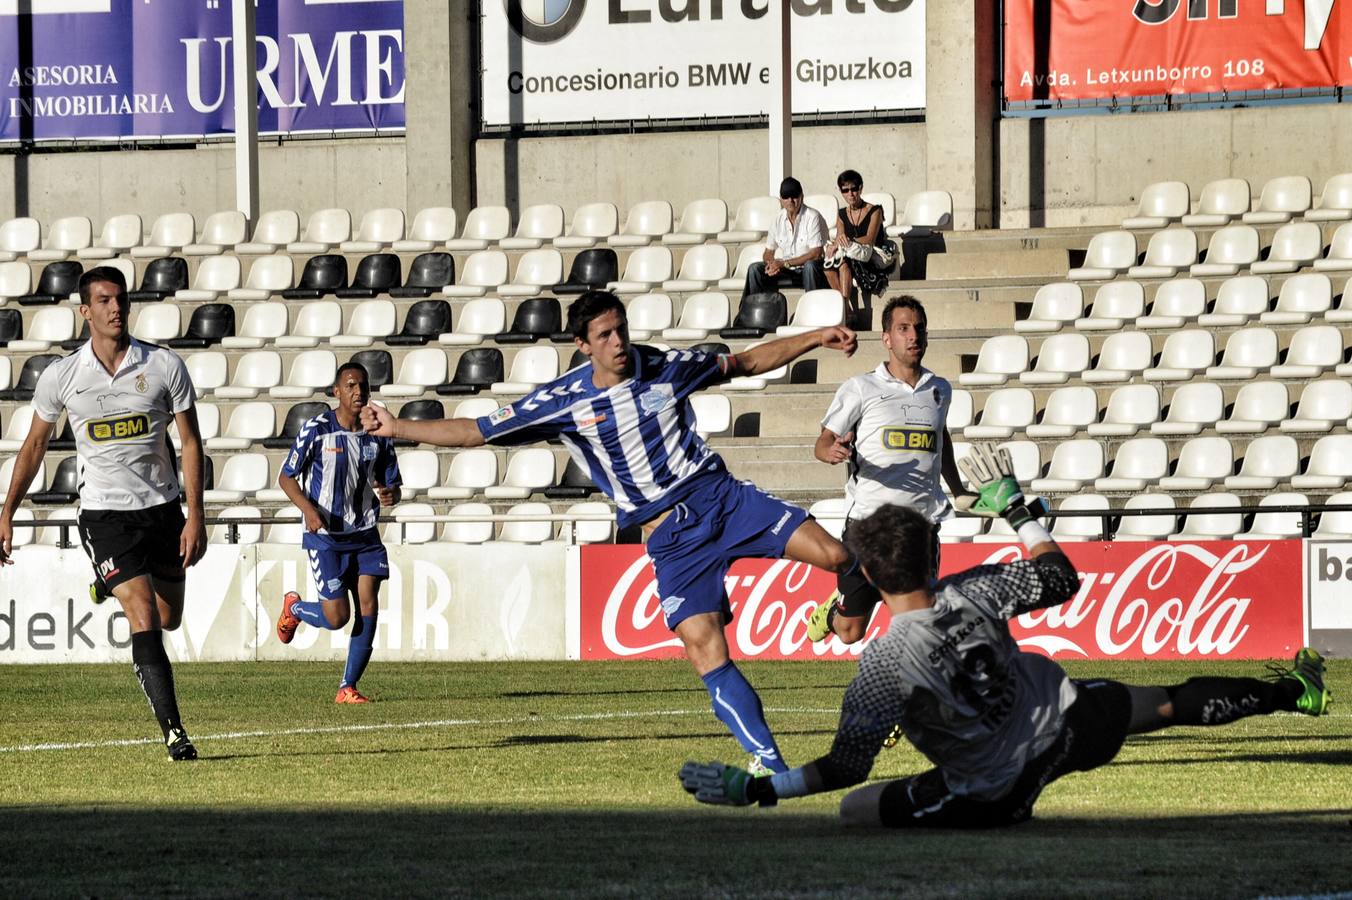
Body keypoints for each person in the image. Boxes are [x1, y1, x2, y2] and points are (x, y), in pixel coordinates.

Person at [678, 445, 1333, 824]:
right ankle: (1293, 693)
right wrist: (1020, 512)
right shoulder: (976, 588)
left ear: (871, 576)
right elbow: (1059, 578)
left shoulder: (880, 664)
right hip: (1069, 721)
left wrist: (761, 787)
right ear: (934, 561)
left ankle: (1001, 799)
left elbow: (846, 766)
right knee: (1165, 702)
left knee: (855, 808)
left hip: (996, 787)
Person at [360, 289, 858, 774]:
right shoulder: (564, 400)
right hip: (672, 538)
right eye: (604, 335)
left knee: (837, 557)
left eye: (621, 329)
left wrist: (815, 336)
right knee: (706, 649)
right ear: (583, 344)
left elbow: (745, 362)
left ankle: (843, 615)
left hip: (722, 499)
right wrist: (397, 428)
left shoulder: (665, 367)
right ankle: (770, 764)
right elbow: (475, 431)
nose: (618, 342)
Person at [0, 266, 207, 761]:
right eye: (105, 301)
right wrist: (6, 511)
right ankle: (175, 731)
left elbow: (191, 441)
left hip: (161, 510)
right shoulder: (62, 376)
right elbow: (33, 447)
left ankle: (104, 582)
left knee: (168, 617)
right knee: (142, 616)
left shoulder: (163, 365)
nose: (116, 309)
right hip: (105, 517)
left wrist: (196, 513)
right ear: (85, 311)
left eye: (122, 300)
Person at [807, 295, 974, 646]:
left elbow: (940, 440)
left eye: (918, 328)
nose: (913, 336)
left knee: (920, 625)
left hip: (920, 525)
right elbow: (822, 443)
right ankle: (833, 612)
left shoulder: (939, 389)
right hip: (868, 526)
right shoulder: (861, 388)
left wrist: (957, 490)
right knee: (850, 633)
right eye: (903, 329)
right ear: (886, 339)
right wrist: (832, 451)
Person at [274, 362, 402, 704]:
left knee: (368, 602)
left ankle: (348, 687)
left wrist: (391, 495)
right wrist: (309, 510)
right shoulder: (316, 430)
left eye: (362, 385)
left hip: (364, 534)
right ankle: (296, 609)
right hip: (326, 537)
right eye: (350, 385)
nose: (358, 391)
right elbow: (286, 477)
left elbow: (392, 485)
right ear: (337, 392)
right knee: (337, 617)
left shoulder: (378, 432)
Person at [742, 176, 830, 298]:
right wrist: (771, 264)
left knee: (810, 266)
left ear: (802, 197)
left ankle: (813, 309)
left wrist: (784, 263)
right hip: (788, 269)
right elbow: (768, 252)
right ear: (781, 200)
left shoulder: (812, 216)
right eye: (786, 197)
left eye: (794, 196)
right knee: (755, 269)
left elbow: (816, 253)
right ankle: (751, 313)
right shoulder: (777, 219)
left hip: (810, 269)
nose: (790, 201)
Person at [823, 169, 897, 312]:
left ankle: (844, 312)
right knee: (828, 269)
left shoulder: (875, 210)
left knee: (843, 265)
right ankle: (847, 311)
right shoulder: (842, 214)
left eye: (854, 189)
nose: (850, 194)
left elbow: (870, 238)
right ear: (841, 192)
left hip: (869, 256)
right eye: (845, 190)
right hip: (851, 255)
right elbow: (841, 238)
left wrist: (845, 241)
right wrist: (836, 244)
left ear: (860, 188)